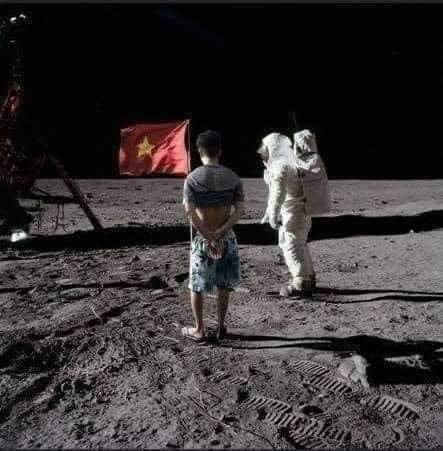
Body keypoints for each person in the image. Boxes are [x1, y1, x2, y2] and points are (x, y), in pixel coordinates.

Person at [182, 130, 244, 342]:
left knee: (197, 285)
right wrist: (222, 230)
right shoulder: (233, 177)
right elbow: (240, 210)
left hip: (204, 239)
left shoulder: (192, 178)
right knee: (224, 284)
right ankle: (221, 326)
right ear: (220, 151)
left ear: (200, 152)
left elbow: (190, 212)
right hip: (227, 238)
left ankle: (199, 329)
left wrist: (207, 233)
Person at [258, 132, 316, 298]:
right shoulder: (291, 161)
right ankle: (308, 278)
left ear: (272, 149)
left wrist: (273, 215)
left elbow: (278, 193)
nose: (263, 156)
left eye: (265, 152)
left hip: (293, 213)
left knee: (291, 245)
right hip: (300, 212)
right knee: (299, 244)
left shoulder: (281, 165)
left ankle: (301, 283)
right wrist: (269, 212)